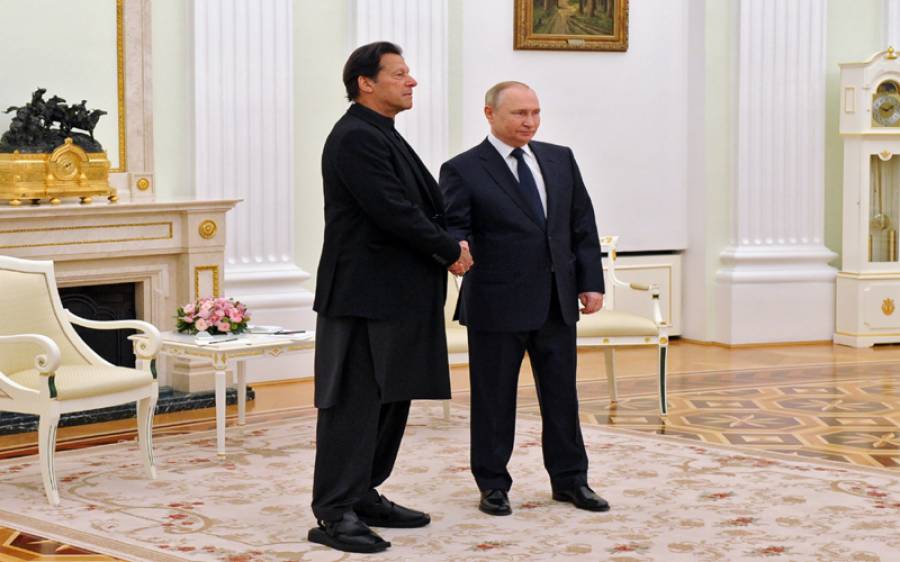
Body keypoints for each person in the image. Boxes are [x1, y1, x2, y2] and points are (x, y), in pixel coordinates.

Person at [309, 41, 473, 554]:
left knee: (390, 398)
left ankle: (362, 492)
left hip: (395, 294)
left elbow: (412, 207)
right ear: (366, 83)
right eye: (399, 73)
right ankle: (334, 511)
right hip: (362, 296)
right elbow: (391, 210)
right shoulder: (355, 136)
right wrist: (448, 250)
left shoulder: (381, 132)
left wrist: (446, 244)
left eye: (409, 73)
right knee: (354, 404)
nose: (412, 81)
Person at [439, 81, 609, 517]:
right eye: (519, 113)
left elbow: (581, 224)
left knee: (562, 397)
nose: (529, 122)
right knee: (493, 400)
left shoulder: (560, 158)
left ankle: (571, 480)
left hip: (556, 300)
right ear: (489, 114)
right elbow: (455, 226)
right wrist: (457, 249)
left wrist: (591, 282)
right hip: (496, 304)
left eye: (535, 112)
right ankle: (493, 484)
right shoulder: (463, 169)